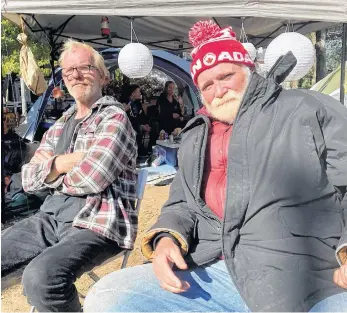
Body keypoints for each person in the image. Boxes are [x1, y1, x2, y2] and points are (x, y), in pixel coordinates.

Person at [84, 21, 347, 312]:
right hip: (217, 269)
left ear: (249, 72)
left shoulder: (305, 108)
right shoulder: (197, 133)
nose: (218, 90)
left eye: (226, 77)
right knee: (109, 295)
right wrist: (166, 237)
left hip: (310, 275)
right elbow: (182, 202)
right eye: (207, 85)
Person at [1, 40, 138, 312]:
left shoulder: (114, 118)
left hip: (97, 220)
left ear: (102, 75)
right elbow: (28, 180)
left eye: (84, 68)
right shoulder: (62, 121)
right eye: (68, 70)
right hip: (50, 217)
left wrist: (49, 170)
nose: (75, 75)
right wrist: (65, 162)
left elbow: (93, 178)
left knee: (42, 278)